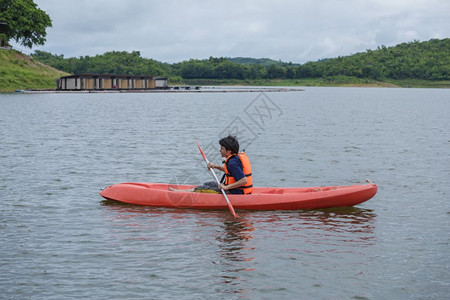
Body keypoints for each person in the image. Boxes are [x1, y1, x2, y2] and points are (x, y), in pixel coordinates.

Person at [170, 136, 253, 194]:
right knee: (208, 184)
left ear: (229, 151)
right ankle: (188, 190)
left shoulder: (232, 162)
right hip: (235, 189)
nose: (219, 150)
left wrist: (226, 187)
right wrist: (216, 166)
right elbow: (231, 171)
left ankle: (180, 193)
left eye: (222, 148)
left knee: (201, 189)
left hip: (235, 192)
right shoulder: (234, 159)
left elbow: (244, 180)